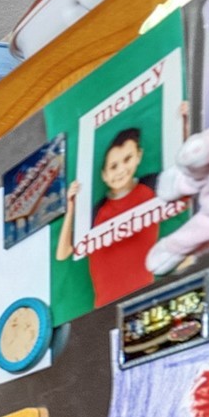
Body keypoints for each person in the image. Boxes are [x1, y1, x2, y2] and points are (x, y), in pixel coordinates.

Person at [58, 125, 161, 306]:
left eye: (127, 159)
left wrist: (185, 123)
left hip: (147, 299)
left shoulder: (152, 186)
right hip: (105, 309)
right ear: (104, 175)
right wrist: (71, 207)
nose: (121, 170)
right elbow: (62, 252)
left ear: (139, 156)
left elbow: (189, 181)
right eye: (113, 166)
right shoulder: (97, 213)